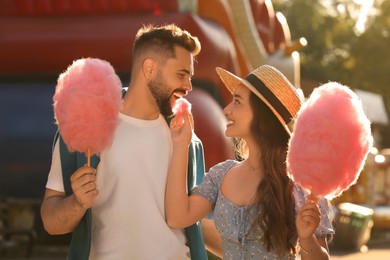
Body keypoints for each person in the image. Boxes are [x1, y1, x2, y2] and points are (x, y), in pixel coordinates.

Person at [41, 24, 211, 259]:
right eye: (182, 75)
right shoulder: (85, 122)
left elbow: (198, 223)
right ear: (149, 68)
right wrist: (77, 203)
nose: (189, 86)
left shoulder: (187, 139)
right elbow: (51, 221)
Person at [165, 65, 334, 259]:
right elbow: (178, 217)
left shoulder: (303, 187)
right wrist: (180, 145)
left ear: (262, 114)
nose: (226, 109)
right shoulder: (222, 174)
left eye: (237, 102)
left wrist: (306, 239)